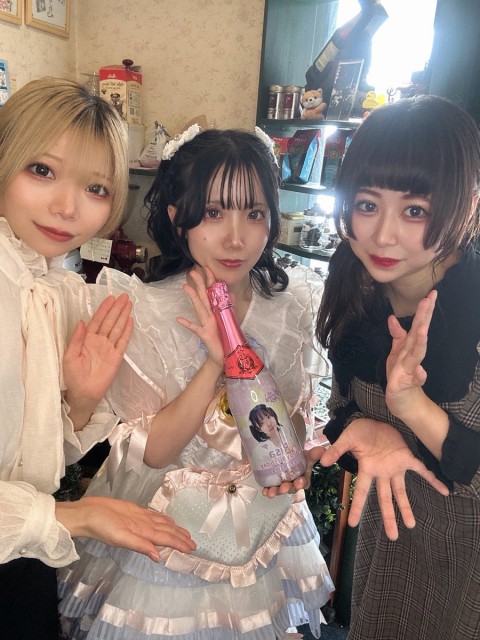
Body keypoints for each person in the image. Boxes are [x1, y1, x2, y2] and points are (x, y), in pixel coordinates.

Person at [58, 127, 334, 639]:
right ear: (175, 216)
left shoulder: (292, 304)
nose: (236, 237)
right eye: (212, 213)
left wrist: (299, 453)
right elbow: (155, 452)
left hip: (264, 521)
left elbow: (293, 424)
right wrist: (214, 364)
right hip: (170, 529)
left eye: (255, 213)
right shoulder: (144, 312)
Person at [0, 76, 195, 640]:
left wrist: (81, 402)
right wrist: (77, 515)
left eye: (95, 188)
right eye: (42, 170)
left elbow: (31, 459)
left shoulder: (57, 289)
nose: (67, 207)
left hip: (23, 555)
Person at [309, 95, 480, 640]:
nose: (382, 236)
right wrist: (366, 428)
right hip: (395, 555)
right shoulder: (355, 285)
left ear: (466, 205)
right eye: (367, 204)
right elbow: (341, 410)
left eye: (414, 211)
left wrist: (412, 408)